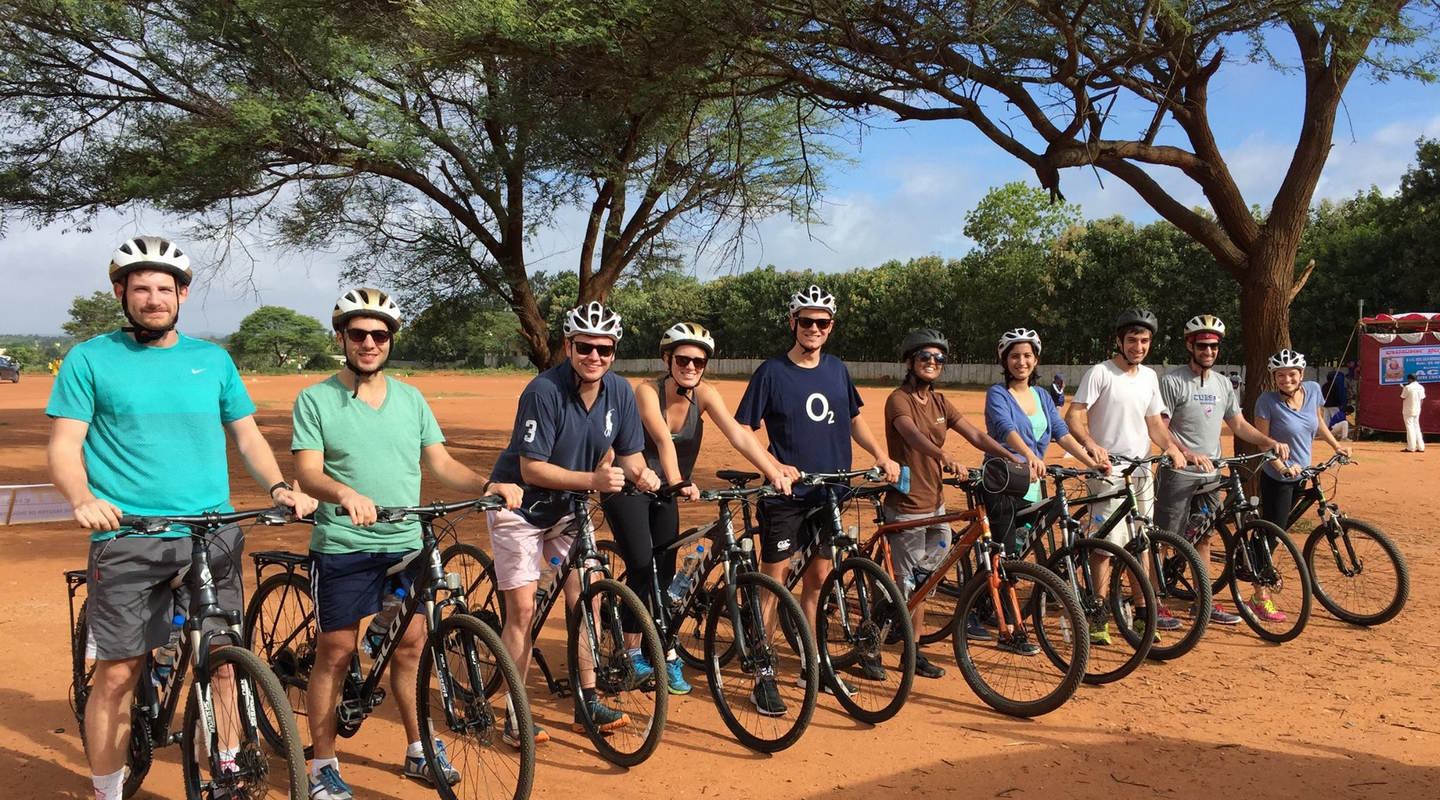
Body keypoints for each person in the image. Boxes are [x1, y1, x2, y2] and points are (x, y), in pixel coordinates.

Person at [46, 236, 318, 800]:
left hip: (212, 536)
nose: (153, 299)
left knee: (224, 663)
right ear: (120, 292)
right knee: (118, 674)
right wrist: (82, 498)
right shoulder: (90, 359)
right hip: (128, 537)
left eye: (164, 289)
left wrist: (276, 486)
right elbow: (65, 445)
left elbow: (247, 435)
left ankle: (227, 772)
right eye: (141, 288)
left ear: (182, 294)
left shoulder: (212, 360)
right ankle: (107, 791)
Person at [290, 288, 523, 800]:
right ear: (341, 338)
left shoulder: (411, 399)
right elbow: (307, 472)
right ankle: (322, 765)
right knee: (336, 652)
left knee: (412, 647)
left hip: (405, 543)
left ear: (390, 340)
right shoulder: (315, 399)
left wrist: (487, 485)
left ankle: (419, 749)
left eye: (379, 334)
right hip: (345, 544)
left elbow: (440, 462)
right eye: (358, 333)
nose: (369, 343)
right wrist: (345, 493)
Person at [487, 301, 661, 745]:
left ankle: (588, 700)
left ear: (614, 351)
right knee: (523, 612)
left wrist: (642, 473)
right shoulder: (543, 391)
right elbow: (530, 469)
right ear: (568, 346)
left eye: (605, 349)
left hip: (568, 510)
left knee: (589, 599)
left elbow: (630, 454)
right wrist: (593, 480)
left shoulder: (619, 392)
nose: (594, 357)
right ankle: (515, 715)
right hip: (520, 509)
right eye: (585, 347)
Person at [600, 321, 793, 702]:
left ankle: (664, 648)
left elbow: (738, 434)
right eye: (683, 359)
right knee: (642, 566)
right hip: (629, 486)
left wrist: (773, 471)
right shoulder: (646, 391)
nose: (690, 367)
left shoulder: (705, 394)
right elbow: (661, 439)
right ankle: (633, 651)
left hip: (667, 492)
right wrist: (676, 480)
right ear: (667, 359)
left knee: (667, 571)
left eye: (699, 362)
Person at [735, 285, 900, 696]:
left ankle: (815, 666)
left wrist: (881, 454)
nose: (814, 328)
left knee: (819, 580)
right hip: (787, 496)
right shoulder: (771, 372)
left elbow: (853, 419)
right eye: (806, 321)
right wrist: (772, 466)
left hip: (831, 493)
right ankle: (763, 673)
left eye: (821, 322)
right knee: (774, 582)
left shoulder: (837, 369)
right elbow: (744, 428)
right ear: (793, 323)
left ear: (831, 327)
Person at [883, 328, 1019, 669]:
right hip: (907, 505)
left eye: (938, 358)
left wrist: (1011, 456)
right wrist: (942, 455)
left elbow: (974, 434)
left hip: (936, 504)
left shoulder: (941, 402)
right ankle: (898, 648)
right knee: (910, 585)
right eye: (925, 357)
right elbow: (911, 434)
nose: (932, 362)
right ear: (910, 362)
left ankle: (905, 636)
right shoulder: (899, 399)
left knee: (926, 580)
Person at [1153, 315, 1289, 627]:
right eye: (1202, 346)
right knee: (1164, 540)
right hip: (1179, 473)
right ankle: (1156, 603)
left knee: (1205, 538)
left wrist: (1268, 441)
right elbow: (1161, 427)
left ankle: (1203, 603)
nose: (1209, 351)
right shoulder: (1172, 381)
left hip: (1211, 473)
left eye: (1214, 346)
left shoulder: (1223, 383)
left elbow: (1237, 423)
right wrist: (1186, 453)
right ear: (1190, 346)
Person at [1063, 308, 1188, 644]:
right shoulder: (1100, 373)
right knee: (1104, 547)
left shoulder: (1149, 377)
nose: (1138, 346)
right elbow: (1073, 416)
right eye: (1132, 340)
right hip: (1108, 473)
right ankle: (1098, 615)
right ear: (1119, 341)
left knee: (1140, 544)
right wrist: (1092, 445)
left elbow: (1154, 424)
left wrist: (1171, 447)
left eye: (1144, 340)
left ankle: (1144, 615)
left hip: (1142, 472)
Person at [981, 329, 1101, 647]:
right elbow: (1005, 429)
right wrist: (1030, 455)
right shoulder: (997, 393)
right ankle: (1009, 629)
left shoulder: (1043, 397)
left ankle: (983, 600)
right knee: (1006, 555)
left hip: (1033, 483)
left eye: (1027, 355)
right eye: (1014, 356)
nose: (1021, 361)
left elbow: (1061, 431)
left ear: (1035, 360)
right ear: (1005, 360)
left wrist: (1090, 461)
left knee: (1020, 548)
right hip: (1003, 482)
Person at [1253, 349, 1352, 620]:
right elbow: (1262, 443)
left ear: (1301, 374)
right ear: (1274, 377)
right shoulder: (1267, 401)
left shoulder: (1313, 391)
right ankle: (1259, 595)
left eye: (1292, 374)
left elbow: (1318, 422)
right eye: (1280, 375)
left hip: (1303, 472)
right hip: (1278, 476)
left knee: (1281, 526)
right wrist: (1282, 467)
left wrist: (1336, 446)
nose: (1286, 380)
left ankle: (1257, 562)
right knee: (1273, 532)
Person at [1401, 373, 1427, 452]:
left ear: (1410, 379)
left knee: (1410, 428)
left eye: (1408, 379)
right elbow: (1422, 399)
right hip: (1417, 409)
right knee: (1417, 427)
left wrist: (1403, 388)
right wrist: (1419, 407)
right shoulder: (1421, 387)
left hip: (1408, 410)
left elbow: (1402, 397)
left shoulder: (1407, 387)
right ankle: (1421, 447)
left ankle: (1411, 447)